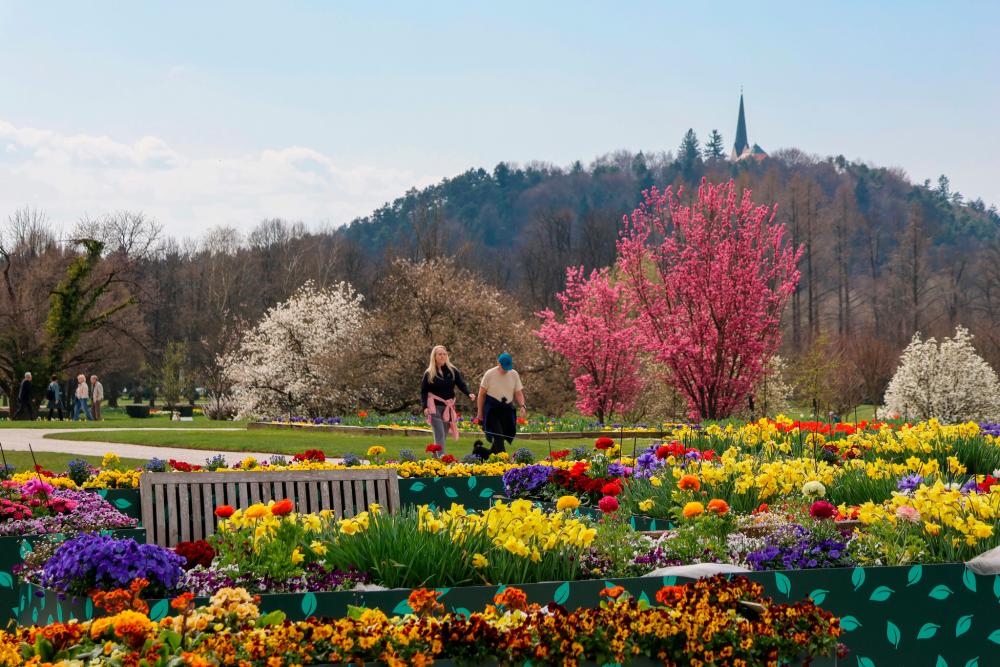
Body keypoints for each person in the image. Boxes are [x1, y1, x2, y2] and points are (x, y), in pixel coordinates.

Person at [420, 345, 476, 451]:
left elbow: (461, 384)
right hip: (434, 408)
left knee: (443, 435)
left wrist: (469, 393)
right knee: (440, 434)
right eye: (440, 354)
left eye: (444, 354)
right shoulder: (429, 373)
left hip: (448, 408)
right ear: (434, 356)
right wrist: (424, 407)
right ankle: (442, 460)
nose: (442, 356)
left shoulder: (452, 371)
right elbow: (424, 392)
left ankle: (435, 459)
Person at [476, 353, 526, 454]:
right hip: (492, 409)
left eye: (508, 367)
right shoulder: (489, 374)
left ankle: (486, 455)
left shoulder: (514, 374)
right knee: (498, 436)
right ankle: (504, 462)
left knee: (502, 436)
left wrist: (522, 406)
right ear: (498, 363)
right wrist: (480, 413)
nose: (506, 370)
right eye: (504, 367)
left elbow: (518, 393)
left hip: (506, 409)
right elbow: (481, 395)